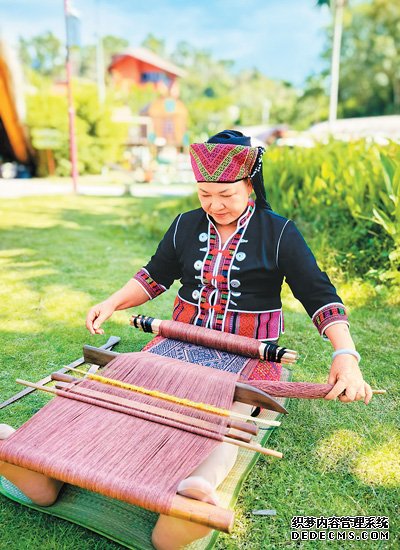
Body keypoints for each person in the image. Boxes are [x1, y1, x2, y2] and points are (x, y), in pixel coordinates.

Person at [0, 130, 372, 550]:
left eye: (226, 194)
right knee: (124, 388)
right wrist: (112, 302)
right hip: (180, 339)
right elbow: (154, 276)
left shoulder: (280, 233)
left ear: (250, 184)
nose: (214, 205)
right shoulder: (185, 226)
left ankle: (193, 492)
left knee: (228, 415)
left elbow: (318, 293)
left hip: (249, 352)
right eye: (204, 194)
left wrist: (346, 353)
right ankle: (38, 466)